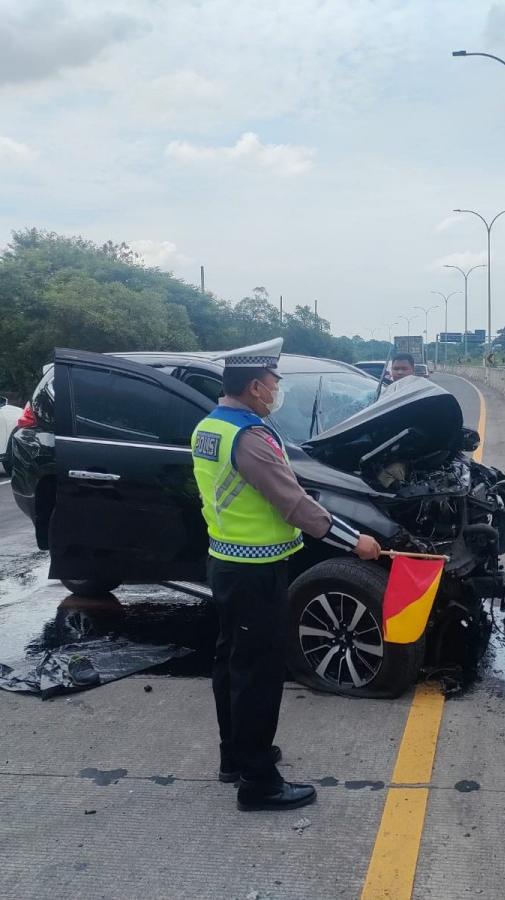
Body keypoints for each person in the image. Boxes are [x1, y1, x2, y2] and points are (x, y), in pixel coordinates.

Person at [190, 338, 381, 812]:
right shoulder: (249, 438)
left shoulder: (211, 426)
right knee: (257, 674)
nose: (278, 388)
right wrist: (353, 539)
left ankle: (234, 755)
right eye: (275, 381)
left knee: (231, 662)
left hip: (227, 562)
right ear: (256, 386)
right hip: (256, 572)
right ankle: (259, 783)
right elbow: (293, 502)